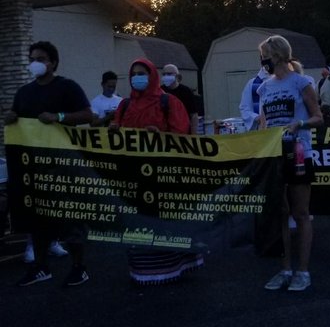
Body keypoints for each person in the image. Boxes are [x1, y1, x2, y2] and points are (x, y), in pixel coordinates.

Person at [6, 41, 93, 286]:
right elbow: (17, 119)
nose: (36, 62)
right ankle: (41, 267)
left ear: (53, 62)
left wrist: (59, 117)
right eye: (32, 58)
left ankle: (79, 267)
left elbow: (88, 115)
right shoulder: (24, 92)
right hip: (34, 165)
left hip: (64, 164)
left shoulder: (67, 87)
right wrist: (10, 119)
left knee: (71, 216)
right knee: (38, 217)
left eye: (41, 58)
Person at [111, 60, 197, 284]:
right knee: (139, 219)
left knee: (165, 220)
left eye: (142, 73)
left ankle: (172, 268)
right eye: (134, 74)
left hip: (163, 176)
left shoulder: (169, 102)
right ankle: (143, 270)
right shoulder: (125, 105)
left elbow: (183, 138)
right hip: (134, 177)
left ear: (152, 77)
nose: (137, 77)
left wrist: (160, 134)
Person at [257, 35, 322, 292]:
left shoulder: (302, 82)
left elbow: (319, 117)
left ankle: (303, 271)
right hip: (274, 158)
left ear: (277, 56)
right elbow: (263, 124)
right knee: (280, 214)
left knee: (301, 213)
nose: (262, 61)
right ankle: (284, 269)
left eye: (264, 56)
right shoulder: (264, 88)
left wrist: (300, 124)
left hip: (298, 154)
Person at [160, 64, 203, 134]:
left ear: (177, 76)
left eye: (169, 74)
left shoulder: (186, 91)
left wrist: (193, 134)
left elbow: (194, 115)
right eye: (164, 74)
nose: (166, 76)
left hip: (183, 132)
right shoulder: (160, 91)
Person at [239, 59, 272, 130]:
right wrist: (256, 117)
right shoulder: (252, 84)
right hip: (261, 128)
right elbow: (244, 108)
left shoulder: (283, 79)